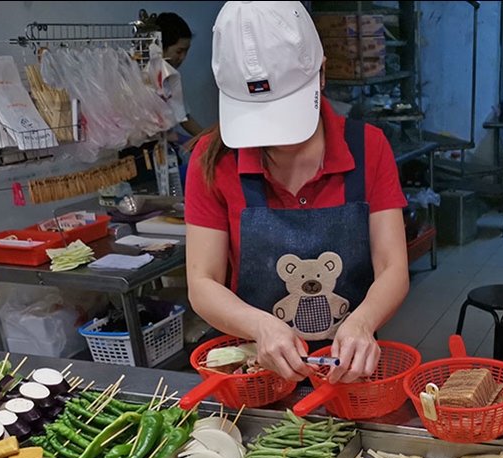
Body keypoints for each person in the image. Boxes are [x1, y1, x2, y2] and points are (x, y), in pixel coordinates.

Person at [184, 1, 410, 385]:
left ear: (321, 73)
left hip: (350, 366)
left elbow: (393, 266)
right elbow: (202, 281)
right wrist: (261, 326)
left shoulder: (368, 146)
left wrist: (362, 321)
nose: (275, 138)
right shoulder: (212, 158)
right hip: (256, 367)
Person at [151, 12, 204, 145]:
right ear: (161, 48)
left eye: (186, 52)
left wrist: (208, 139)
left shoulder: (170, 78)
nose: (183, 58)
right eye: (179, 52)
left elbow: (182, 116)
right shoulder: (142, 77)